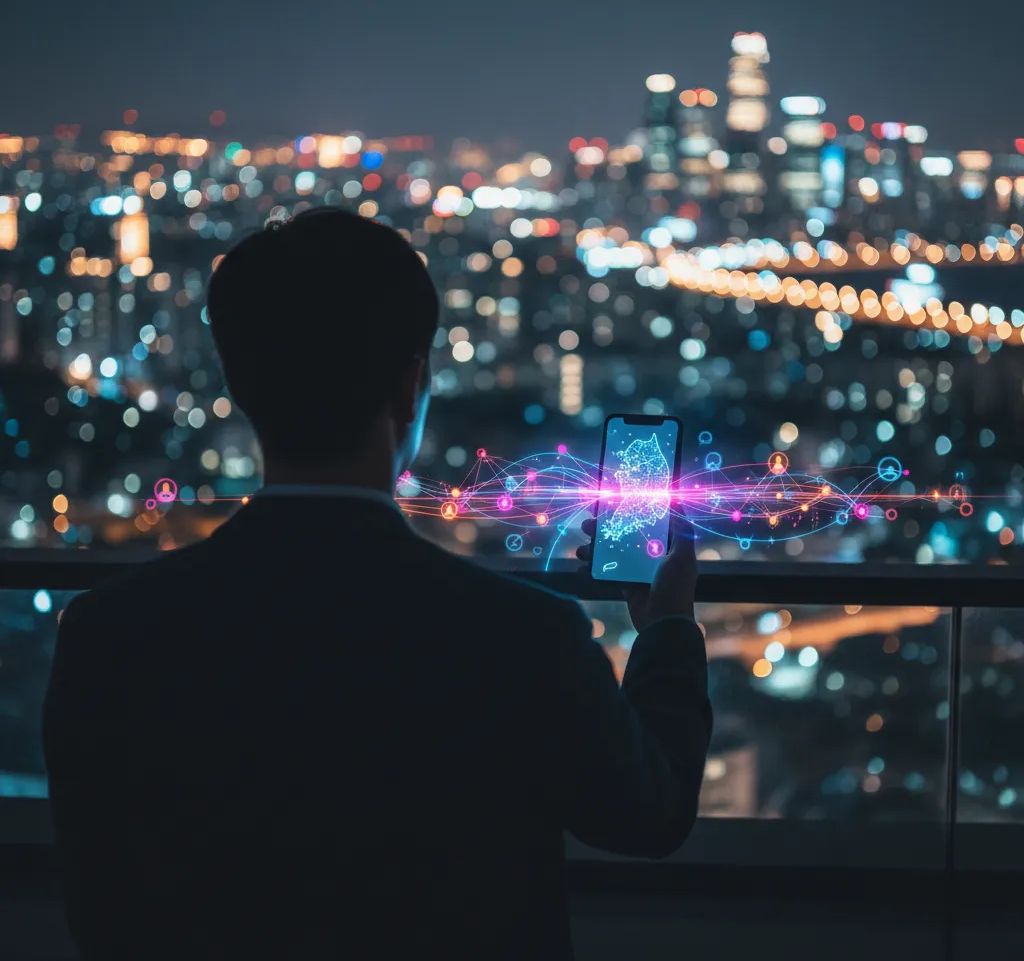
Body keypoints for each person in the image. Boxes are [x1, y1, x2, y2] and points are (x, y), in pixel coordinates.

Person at [43, 208, 712, 960]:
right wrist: (669, 630)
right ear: (409, 389)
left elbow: (97, 908)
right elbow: (650, 815)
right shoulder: (523, 638)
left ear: (236, 381)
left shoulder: (108, 635)